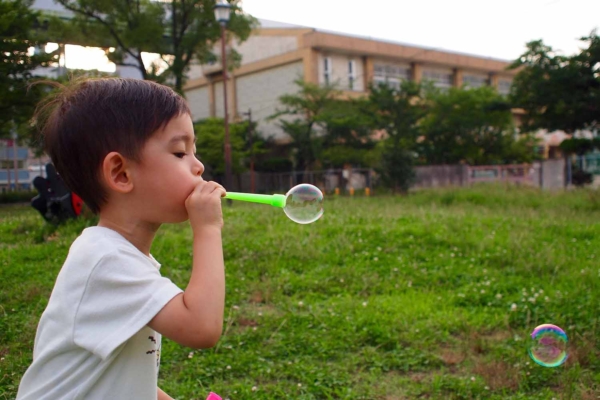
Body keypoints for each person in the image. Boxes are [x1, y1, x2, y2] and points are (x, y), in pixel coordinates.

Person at [17, 78, 226, 400]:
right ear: (120, 173)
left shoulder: (114, 254)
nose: (198, 166)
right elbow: (202, 328)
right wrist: (208, 229)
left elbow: (119, 372)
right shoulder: (106, 261)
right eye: (180, 152)